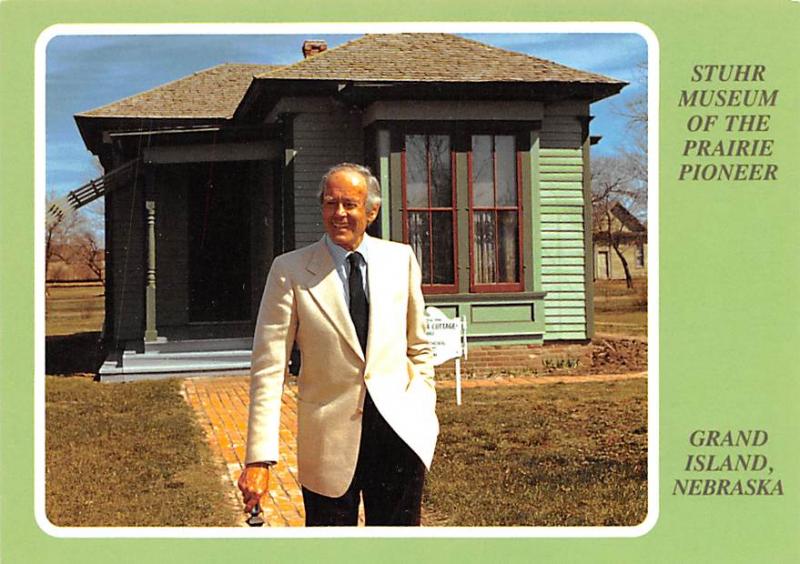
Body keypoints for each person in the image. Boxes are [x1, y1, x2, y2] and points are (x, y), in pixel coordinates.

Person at [237, 163, 438, 526]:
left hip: (399, 437)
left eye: (350, 204)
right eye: (331, 203)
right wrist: (259, 458)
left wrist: (422, 408)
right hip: (328, 445)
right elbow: (268, 369)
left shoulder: (401, 260)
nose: (339, 214)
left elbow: (418, 347)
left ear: (372, 211)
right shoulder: (290, 271)